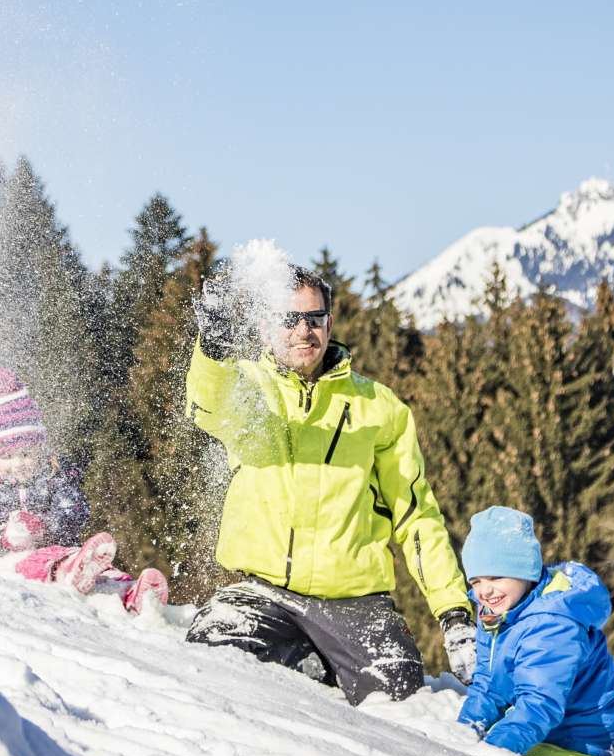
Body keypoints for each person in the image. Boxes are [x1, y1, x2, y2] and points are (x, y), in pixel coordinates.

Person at [183, 263, 476, 704]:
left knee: (403, 702)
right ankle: (307, 662)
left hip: (357, 604)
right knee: (211, 666)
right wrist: (214, 349)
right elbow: (208, 404)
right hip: (262, 594)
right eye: (289, 319)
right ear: (266, 325)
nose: (304, 331)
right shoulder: (249, 386)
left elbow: (416, 516)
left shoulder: (379, 408)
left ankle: (316, 663)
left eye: (314, 319)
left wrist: (453, 610)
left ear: (329, 323)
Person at [0, 368, 168, 614]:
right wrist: (3, 537)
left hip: (64, 551)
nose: (18, 463)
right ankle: (71, 573)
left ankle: (133, 592)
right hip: (6, 565)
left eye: (26, 453)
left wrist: (45, 527)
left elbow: (74, 510)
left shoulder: (54, 474)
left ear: (39, 448)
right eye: (7, 456)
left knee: (94, 568)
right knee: (42, 563)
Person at [454, 506, 614, 756]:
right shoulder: (498, 613)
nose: (484, 591)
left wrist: (490, 753)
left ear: (526, 571)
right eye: (476, 581)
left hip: (578, 741)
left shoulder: (551, 624)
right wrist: (463, 730)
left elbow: (539, 703)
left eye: (496, 577)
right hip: (545, 728)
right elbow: (489, 685)